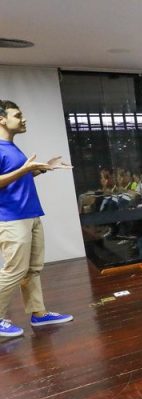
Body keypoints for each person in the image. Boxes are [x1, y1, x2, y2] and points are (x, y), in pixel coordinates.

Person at [0, 99, 75, 337]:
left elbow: (16, 181)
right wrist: (24, 169)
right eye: (17, 115)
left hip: (30, 214)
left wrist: (42, 169)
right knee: (14, 270)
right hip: (11, 218)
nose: (23, 119)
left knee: (33, 269)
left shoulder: (12, 147)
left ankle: (38, 314)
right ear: (1, 119)